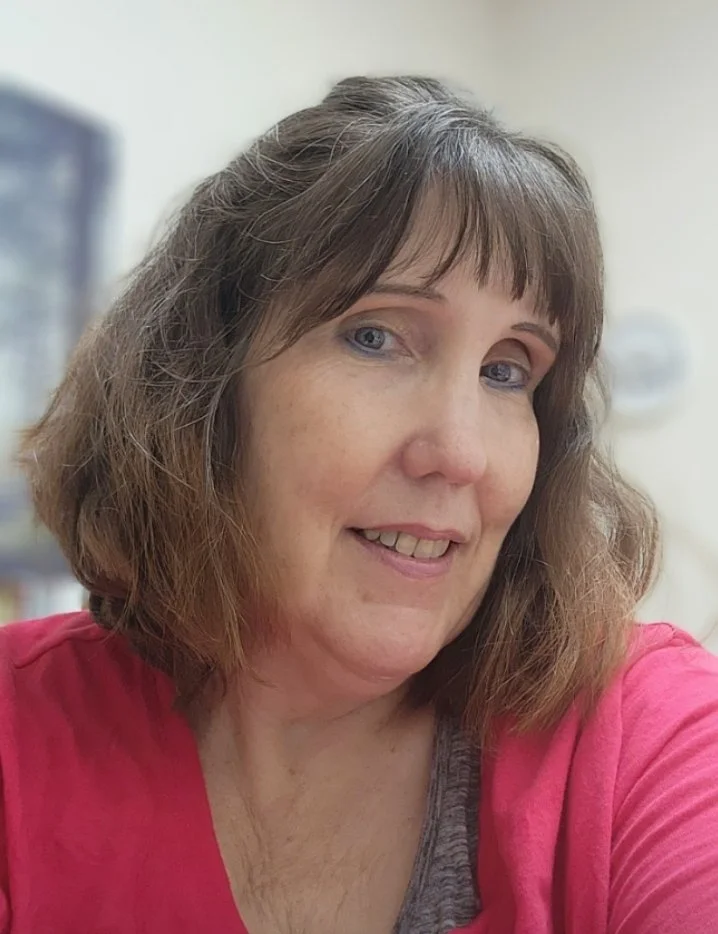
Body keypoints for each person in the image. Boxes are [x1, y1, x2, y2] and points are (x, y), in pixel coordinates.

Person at [2, 75, 717, 934]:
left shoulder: (643, 733)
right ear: (203, 385)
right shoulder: (19, 735)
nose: (461, 455)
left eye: (507, 370)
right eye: (375, 336)